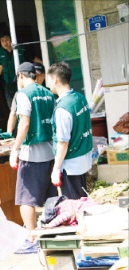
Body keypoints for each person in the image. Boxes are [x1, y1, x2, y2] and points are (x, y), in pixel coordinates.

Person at [9, 62, 56, 250]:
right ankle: (51, 234)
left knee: (26, 199)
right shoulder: (48, 93)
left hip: (32, 154)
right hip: (51, 152)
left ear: (21, 76)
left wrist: (15, 149)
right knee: (51, 198)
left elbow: (24, 123)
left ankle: (31, 238)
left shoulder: (23, 94)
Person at [47, 61, 93, 199]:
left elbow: (63, 142)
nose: (48, 84)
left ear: (55, 79)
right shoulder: (80, 98)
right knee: (82, 201)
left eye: (49, 80)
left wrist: (56, 169)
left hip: (71, 165)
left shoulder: (63, 108)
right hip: (84, 159)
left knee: (74, 207)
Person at [7, 62, 47, 135]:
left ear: (44, 75)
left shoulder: (49, 93)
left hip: (45, 135)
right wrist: (8, 135)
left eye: (38, 75)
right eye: (34, 76)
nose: (36, 78)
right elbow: (13, 115)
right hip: (27, 136)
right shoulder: (20, 94)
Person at [0, 31, 26, 107]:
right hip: (8, 84)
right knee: (12, 106)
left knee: (23, 105)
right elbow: (0, 66)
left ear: (12, 39)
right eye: (2, 41)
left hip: (21, 82)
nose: (5, 43)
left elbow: (32, 59)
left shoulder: (20, 49)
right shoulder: (1, 51)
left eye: (7, 40)